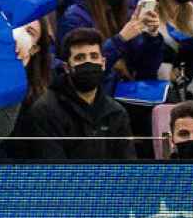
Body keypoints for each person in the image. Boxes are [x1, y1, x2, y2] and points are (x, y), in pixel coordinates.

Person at [18, 28, 135, 161]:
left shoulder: (116, 112)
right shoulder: (45, 111)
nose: (88, 62)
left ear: (103, 64)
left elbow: (128, 165)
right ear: (67, 67)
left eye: (94, 56)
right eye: (80, 58)